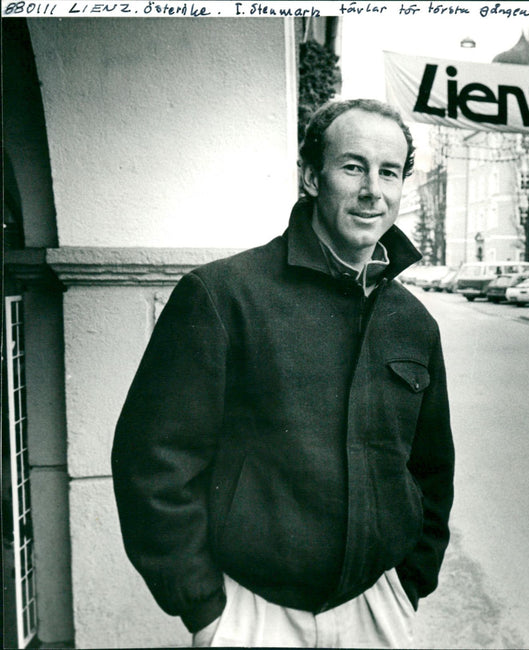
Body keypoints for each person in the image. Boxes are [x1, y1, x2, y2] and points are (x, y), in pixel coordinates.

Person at [111, 98, 455, 648]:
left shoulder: (413, 322)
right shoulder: (224, 296)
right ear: (312, 177)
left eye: (388, 172)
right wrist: (205, 608)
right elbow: (153, 463)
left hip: (376, 609)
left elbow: (432, 470)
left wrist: (408, 584)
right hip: (251, 614)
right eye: (352, 166)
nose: (372, 189)